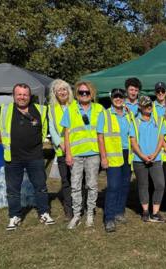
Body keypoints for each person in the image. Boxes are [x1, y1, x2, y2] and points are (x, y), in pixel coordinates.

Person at [0, 83, 55, 231]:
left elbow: (46, 129)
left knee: (41, 187)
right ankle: (15, 216)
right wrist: (4, 140)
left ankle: (44, 213)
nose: (22, 97)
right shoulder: (4, 110)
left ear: (30, 96)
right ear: (14, 95)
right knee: (13, 190)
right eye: (19, 94)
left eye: (25, 94)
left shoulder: (41, 110)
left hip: (35, 156)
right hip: (13, 157)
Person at [62, 81, 104, 229]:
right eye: (81, 92)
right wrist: (68, 153)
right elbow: (66, 133)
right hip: (76, 154)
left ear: (91, 93)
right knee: (75, 186)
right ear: (77, 94)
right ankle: (76, 214)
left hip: (93, 153)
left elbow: (101, 134)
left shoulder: (99, 109)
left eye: (87, 92)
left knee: (92, 185)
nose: (84, 95)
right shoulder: (70, 109)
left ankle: (90, 214)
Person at [97, 88, 134, 233]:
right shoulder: (105, 114)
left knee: (125, 185)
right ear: (111, 98)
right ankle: (109, 218)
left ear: (124, 98)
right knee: (113, 186)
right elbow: (100, 137)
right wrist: (103, 157)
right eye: (115, 96)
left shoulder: (129, 114)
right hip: (112, 155)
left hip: (127, 154)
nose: (118, 99)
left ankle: (119, 212)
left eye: (120, 96)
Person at [130, 96, 166, 223]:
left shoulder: (159, 120)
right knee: (143, 185)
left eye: (150, 105)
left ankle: (155, 212)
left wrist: (155, 154)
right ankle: (145, 211)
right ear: (140, 107)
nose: (149, 107)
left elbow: (161, 139)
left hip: (155, 159)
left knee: (160, 184)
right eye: (146, 105)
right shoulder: (135, 122)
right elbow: (133, 142)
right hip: (139, 160)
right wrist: (142, 156)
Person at [48, 79, 74, 220]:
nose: (62, 92)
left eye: (65, 89)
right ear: (55, 93)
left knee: (79, 179)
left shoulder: (75, 105)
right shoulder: (51, 108)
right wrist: (60, 143)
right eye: (59, 90)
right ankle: (68, 210)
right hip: (61, 150)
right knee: (66, 181)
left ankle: (80, 206)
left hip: (77, 148)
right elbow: (52, 128)